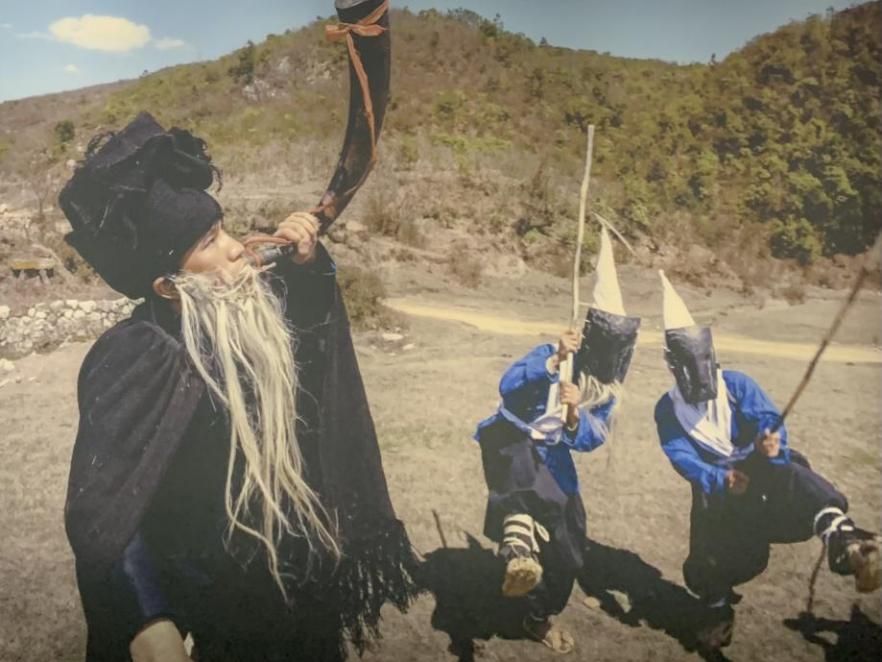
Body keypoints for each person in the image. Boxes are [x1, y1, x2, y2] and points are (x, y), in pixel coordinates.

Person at [61, 112, 418, 661]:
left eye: (224, 228)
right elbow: (107, 512)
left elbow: (311, 366)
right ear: (168, 285)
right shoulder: (137, 352)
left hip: (293, 596)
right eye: (210, 242)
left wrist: (308, 266)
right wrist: (149, 619)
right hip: (211, 608)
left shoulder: (246, 320)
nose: (233, 248)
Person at [653, 270, 881, 652]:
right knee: (707, 566)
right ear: (670, 363)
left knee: (794, 472)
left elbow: (767, 419)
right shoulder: (667, 409)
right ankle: (718, 610)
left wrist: (771, 444)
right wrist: (719, 479)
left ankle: (846, 542)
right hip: (719, 492)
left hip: (763, 474)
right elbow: (681, 456)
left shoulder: (737, 384)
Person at [473, 228, 641, 654]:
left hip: (553, 459)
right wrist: (553, 361)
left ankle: (537, 609)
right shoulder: (553, 353)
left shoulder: (607, 392)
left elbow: (592, 438)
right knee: (526, 490)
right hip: (510, 441)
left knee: (569, 546)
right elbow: (508, 386)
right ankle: (518, 540)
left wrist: (574, 414)